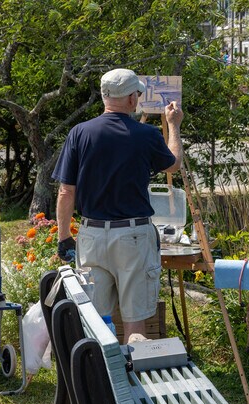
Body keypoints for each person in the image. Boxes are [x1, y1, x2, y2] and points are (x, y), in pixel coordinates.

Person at [51, 68, 184, 343]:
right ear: (132, 100)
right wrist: (173, 125)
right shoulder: (145, 134)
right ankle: (135, 381)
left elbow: (66, 191)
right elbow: (173, 164)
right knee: (135, 325)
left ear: (104, 97)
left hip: (92, 236)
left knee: (95, 323)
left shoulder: (79, 133)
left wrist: (64, 237)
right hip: (133, 236)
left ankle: (98, 381)